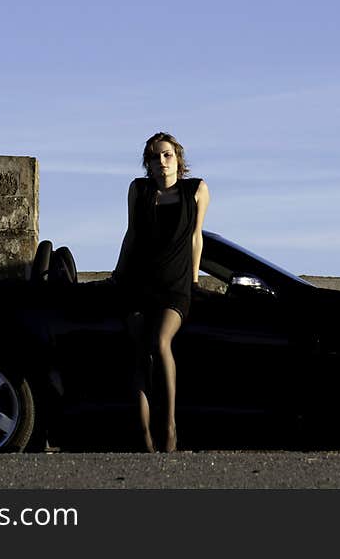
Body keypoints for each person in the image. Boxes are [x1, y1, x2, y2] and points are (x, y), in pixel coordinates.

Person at [113, 132, 210, 452]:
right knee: (141, 355)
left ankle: (168, 427)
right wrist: (118, 272)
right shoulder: (139, 190)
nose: (161, 162)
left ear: (178, 159)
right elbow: (131, 235)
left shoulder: (195, 190)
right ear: (148, 165)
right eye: (154, 157)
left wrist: (194, 281)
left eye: (167, 155)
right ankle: (144, 438)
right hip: (138, 284)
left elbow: (196, 238)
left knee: (160, 341)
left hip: (175, 288)